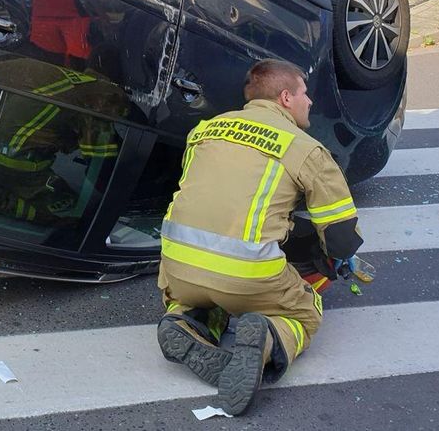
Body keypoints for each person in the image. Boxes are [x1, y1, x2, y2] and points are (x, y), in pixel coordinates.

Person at [155, 59, 362, 415]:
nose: (309, 101)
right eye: (304, 93)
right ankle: (267, 337)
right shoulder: (305, 148)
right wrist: (339, 258)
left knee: (204, 296)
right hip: (247, 275)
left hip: (178, 266)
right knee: (307, 311)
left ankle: (185, 320)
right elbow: (341, 236)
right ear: (285, 98)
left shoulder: (205, 130)